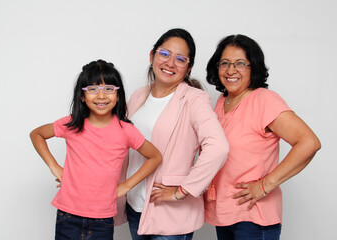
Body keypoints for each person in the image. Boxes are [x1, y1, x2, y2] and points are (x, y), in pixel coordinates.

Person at [115, 28, 229, 240]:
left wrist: (182, 191)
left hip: (171, 213)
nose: (170, 63)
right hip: (135, 206)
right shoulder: (138, 96)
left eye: (180, 59)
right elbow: (121, 145)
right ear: (152, 56)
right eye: (164, 54)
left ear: (188, 68)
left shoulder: (195, 99)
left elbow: (218, 148)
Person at [204, 34, 321, 240]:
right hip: (224, 214)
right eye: (225, 63)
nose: (231, 70)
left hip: (253, 217)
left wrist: (265, 185)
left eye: (240, 63)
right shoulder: (222, 102)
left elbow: (309, 143)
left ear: (253, 68)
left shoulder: (264, 100)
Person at [30, 59, 162, 240]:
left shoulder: (126, 130)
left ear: (118, 95)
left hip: (103, 220)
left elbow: (155, 157)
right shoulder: (72, 124)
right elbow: (36, 134)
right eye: (93, 89)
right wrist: (56, 168)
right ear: (82, 96)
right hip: (68, 216)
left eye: (109, 89)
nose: (101, 96)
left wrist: (126, 186)